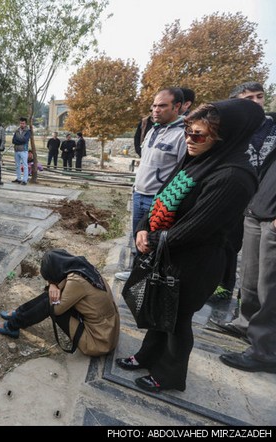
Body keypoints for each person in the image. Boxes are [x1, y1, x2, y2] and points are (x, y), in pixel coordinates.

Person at [116, 99, 264, 393]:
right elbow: (163, 196)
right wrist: (144, 226)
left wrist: (154, 239)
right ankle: (148, 356)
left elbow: (199, 227)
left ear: (226, 136)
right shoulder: (198, 158)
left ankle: (170, 375)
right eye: (188, 132)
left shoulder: (234, 176)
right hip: (169, 252)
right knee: (161, 310)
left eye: (198, 135)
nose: (189, 140)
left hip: (197, 261)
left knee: (178, 319)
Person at [213, 83, 276, 374]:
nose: (254, 103)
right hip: (253, 208)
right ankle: (245, 324)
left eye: (258, 97)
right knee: (250, 277)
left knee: (270, 285)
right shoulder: (240, 131)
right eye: (247, 99)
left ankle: (265, 350)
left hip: (273, 213)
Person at [115, 88, 187, 281]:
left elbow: (183, 172)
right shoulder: (152, 130)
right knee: (137, 237)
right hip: (139, 193)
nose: (156, 110)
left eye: (162, 106)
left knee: (152, 242)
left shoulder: (181, 136)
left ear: (177, 107)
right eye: (154, 105)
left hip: (159, 200)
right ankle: (136, 274)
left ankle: (152, 279)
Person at [0, 249, 119, 357]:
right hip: (107, 328)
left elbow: (56, 310)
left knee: (50, 304)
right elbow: (61, 285)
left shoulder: (77, 281)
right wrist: (52, 284)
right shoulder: (79, 265)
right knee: (52, 295)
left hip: (98, 340)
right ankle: (19, 313)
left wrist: (52, 285)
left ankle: (12, 326)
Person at [12, 117, 30, 185]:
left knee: (25, 165)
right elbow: (13, 140)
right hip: (16, 150)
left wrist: (18, 140)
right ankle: (18, 178)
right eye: (20, 123)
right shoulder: (17, 130)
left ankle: (25, 180)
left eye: (23, 123)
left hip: (23, 150)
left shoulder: (28, 131)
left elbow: (25, 140)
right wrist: (19, 140)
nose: (21, 124)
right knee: (17, 165)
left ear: (25, 124)